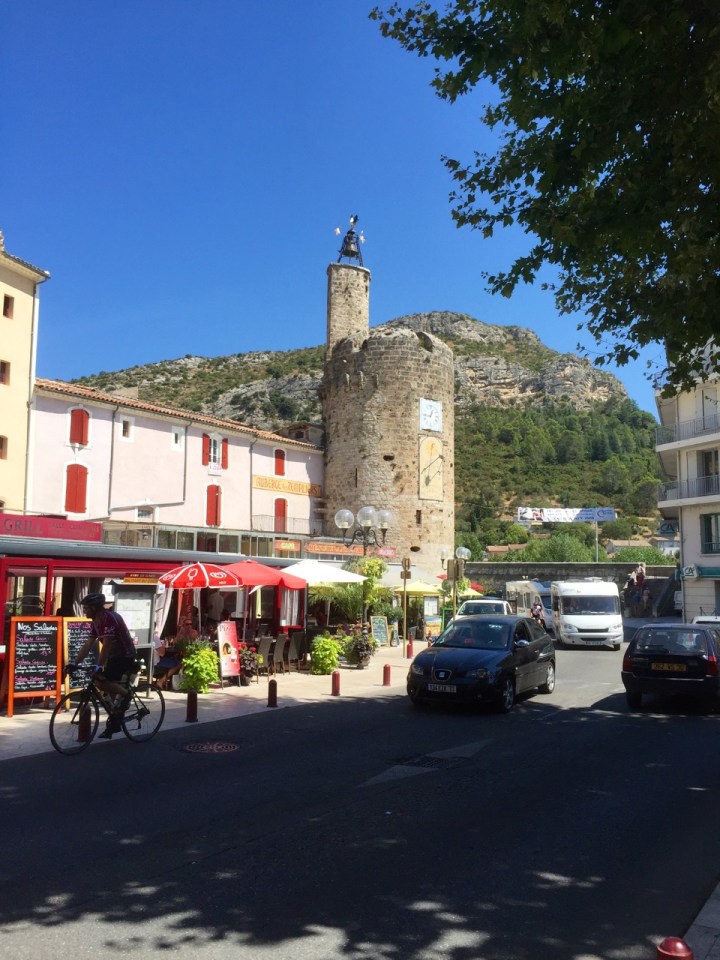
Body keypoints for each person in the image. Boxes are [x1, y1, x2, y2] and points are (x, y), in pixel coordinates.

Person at [65, 593, 137, 739]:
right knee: (107, 684)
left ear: (94, 608)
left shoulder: (109, 619)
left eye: (86, 608)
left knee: (101, 681)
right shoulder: (96, 622)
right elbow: (87, 644)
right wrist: (74, 663)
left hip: (125, 655)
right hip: (113, 656)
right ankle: (116, 719)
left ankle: (126, 695)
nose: (84, 611)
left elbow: (106, 647)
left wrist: (98, 666)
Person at [155, 616, 198, 691]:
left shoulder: (194, 632)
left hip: (190, 654)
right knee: (178, 662)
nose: (189, 626)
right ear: (184, 625)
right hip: (181, 653)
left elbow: (192, 643)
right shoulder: (181, 632)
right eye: (187, 624)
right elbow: (174, 642)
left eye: (191, 624)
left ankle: (165, 681)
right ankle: (167, 681)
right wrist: (181, 632)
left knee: (179, 662)